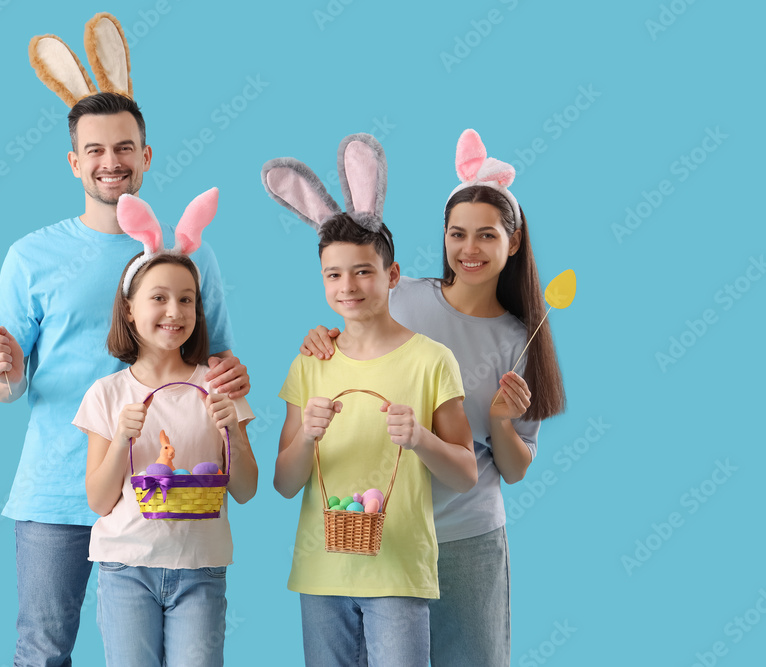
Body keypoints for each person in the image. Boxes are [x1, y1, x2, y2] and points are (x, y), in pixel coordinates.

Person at [0, 93, 249, 667]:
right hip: (57, 492)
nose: (111, 161)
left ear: (146, 156)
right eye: (94, 150)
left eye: (125, 147)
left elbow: (216, 360)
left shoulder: (187, 254)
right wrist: (4, 373)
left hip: (162, 494)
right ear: (74, 162)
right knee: (43, 651)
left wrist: (234, 376)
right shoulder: (30, 256)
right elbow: (5, 385)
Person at [300, 129, 566, 666]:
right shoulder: (404, 297)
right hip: (385, 534)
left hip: (463, 539)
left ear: (513, 242)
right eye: (457, 234)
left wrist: (503, 422)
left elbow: (515, 469)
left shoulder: (520, 340)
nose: (470, 249)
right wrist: (320, 340)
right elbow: (355, 333)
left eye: (487, 235)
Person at [262, 134, 475, 667]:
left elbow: (466, 473)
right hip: (323, 573)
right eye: (333, 274)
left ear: (392, 275)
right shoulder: (311, 361)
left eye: (363, 271)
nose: (348, 286)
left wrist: (421, 439)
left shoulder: (432, 361)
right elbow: (283, 484)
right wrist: (307, 437)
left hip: (398, 571)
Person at [72, 189, 257, 667]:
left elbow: (245, 490)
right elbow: (98, 500)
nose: (175, 312)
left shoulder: (218, 386)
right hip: (125, 567)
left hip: (200, 569)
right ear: (129, 309)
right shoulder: (106, 394)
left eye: (186, 300)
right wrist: (121, 441)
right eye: (159, 298)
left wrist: (233, 432)